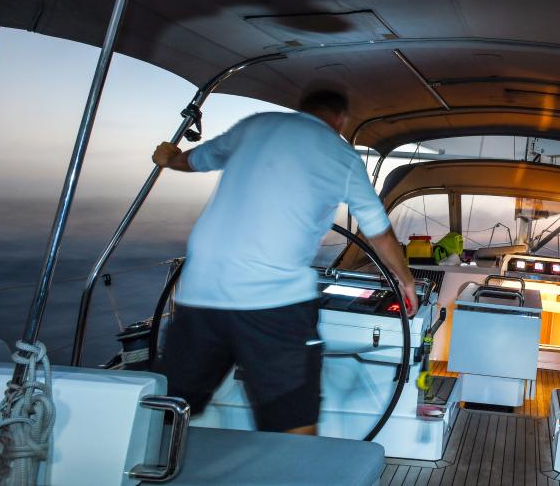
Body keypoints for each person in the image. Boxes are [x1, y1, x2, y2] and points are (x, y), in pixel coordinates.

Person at [151, 88, 417, 435]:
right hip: (274, 304)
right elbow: (378, 231)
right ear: (340, 119)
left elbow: (195, 160)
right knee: (295, 422)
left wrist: (168, 157)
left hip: (200, 296)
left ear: (301, 109)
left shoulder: (255, 126)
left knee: (168, 408)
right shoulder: (342, 155)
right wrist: (405, 281)